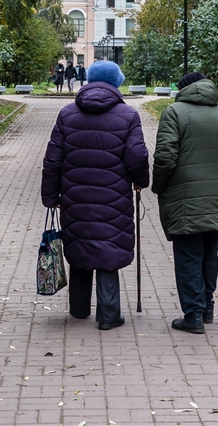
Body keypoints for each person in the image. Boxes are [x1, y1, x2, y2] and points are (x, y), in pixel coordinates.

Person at [41, 61, 149, 330]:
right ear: (116, 82)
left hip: (75, 196)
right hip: (114, 198)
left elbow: (53, 159)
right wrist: (141, 182)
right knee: (108, 245)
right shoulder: (128, 115)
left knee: (80, 244)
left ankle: (78, 309)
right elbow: (137, 157)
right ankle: (109, 315)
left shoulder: (67, 114)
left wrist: (50, 196)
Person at [152, 72, 218, 334]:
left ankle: (193, 315)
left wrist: (159, 187)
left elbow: (165, 157)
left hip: (184, 198)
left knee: (188, 256)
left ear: (185, 89)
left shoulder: (174, 113)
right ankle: (207, 307)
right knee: (209, 255)